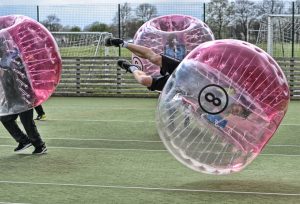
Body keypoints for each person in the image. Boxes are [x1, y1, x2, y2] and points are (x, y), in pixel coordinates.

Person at [105, 37, 181, 92]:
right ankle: (122, 43)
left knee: (144, 80)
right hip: (187, 70)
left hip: (184, 85)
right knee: (156, 59)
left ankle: (133, 69)